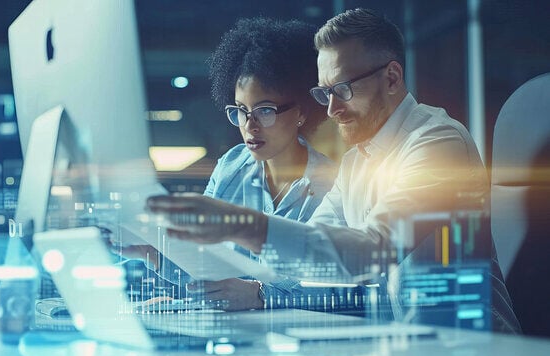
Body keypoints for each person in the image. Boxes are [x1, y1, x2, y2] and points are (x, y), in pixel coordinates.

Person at [146, 9, 520, 332]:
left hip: (468, 344)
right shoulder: (358, 162)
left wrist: (243, 225)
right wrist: (162, 250)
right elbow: (313, 254)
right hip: (406, 342)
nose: (330, 110)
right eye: (325, 93)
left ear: (392, 78)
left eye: (342, 90)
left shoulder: (438, 144)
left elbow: (373, 252)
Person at [126, 18, 338, 311]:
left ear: (301, 111)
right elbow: (208, 265)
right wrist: (154, 253)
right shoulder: (232, 165)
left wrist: (261, 295)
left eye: (264, 110)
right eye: (241, 111)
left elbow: (345, 292)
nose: (250, 126)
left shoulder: (333, 186)